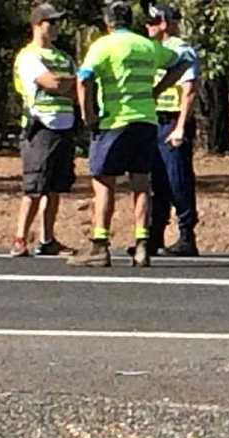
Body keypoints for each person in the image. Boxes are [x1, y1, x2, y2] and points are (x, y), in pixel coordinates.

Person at [69, 1, 191, 268]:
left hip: (115, 121)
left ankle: (100, 244)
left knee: (103, 182)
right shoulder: (146, 46)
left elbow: (83, 78)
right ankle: (142, 244)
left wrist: (87, 114)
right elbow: (183, 62)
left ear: (108, 22)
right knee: (141, 182)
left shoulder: (103, 46)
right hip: (146, 120)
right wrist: (157, 89)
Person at [11, 3, 77, 258]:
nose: (57, 27)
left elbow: (73, 87)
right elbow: (52, 83)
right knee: (34, 186)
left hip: (65, 125)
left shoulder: (64, 57)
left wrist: (68, 85)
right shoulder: (29, 56)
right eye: (52, 22)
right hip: (41, 126)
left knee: (55, 187)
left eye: (58, 22)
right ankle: (20, 239)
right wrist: (67, 84)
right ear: (38, 25)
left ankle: (47, 239)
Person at [144, 4, 200, 257]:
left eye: (152, 21)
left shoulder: (180, 49)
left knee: (178, 180)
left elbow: (189, 90)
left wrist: (180, 128)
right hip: (153, 122)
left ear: (165, 23)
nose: (148, 26)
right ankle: (154, 235)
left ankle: (186, 235)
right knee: (157, 181)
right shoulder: (151, 50)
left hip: (173, 121)